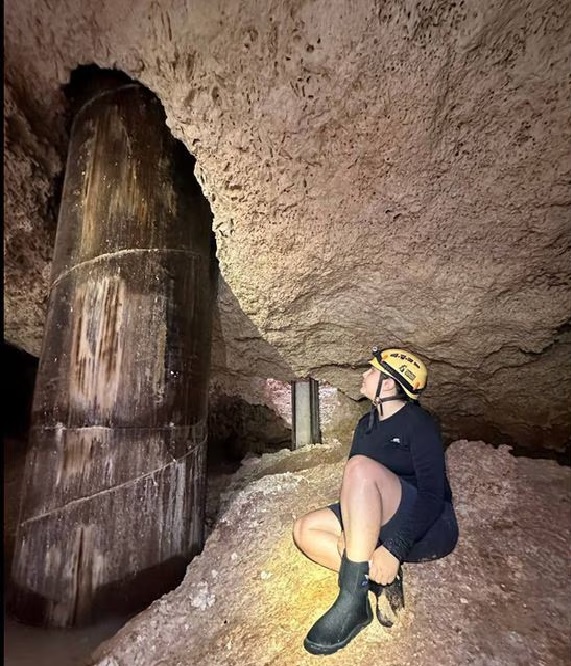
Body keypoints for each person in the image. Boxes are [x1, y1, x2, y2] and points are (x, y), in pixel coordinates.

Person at [292, 347, 459, 655]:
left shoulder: (419, 424)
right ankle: (378, 580)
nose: (364, 375)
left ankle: (352, 602)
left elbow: (434, 496)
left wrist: (395, 547)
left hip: (429, 525)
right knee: (304, 530)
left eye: (371, 371)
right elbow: (357, 488)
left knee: (360, 467)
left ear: (390, 384)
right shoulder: (364, 426)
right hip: (377, 511)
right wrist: (350, 530)